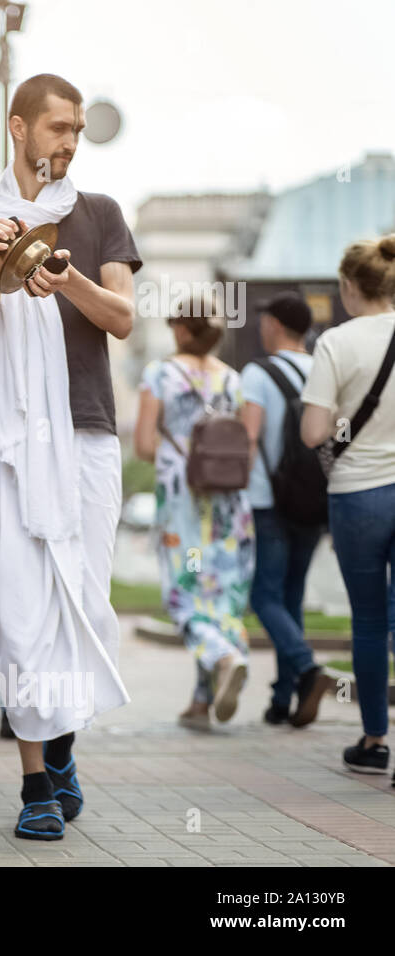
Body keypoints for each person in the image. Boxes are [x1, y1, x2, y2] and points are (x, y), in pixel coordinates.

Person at [0, 74, 140, 841]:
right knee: (22, 607)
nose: (68, 141)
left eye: (79, 131)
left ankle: (60, 747)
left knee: (84, 596)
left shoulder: (98, 215)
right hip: (10, 439)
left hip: (87, 430)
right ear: (18, 127)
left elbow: (121, 317)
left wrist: (67, 280)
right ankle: (35, 785)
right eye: (57, 127)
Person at [300, 234, 395, 779]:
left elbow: (316, 431)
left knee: (369, 620)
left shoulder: (337, 342)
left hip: (358, 495)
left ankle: (374, 740)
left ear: (347, 286)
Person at [134, 305, 254, 729]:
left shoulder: (160, 374)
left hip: (183, 501)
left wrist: (175, 448)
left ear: (182, 330)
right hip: (227, 504)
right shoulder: (232, 378)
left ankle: (224, 656)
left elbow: (144, 444)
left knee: (186, 591)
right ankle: (203, 700)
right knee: (221, 595)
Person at [239, 292, 330, 727]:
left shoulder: (257, 373)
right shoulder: (324, 369)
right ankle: (283, 698)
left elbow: (249, 437)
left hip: (269, 499)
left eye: (265, 319)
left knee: (263, 596)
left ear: (275, 324)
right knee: (290, 596)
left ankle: (308, 668)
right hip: (316, 498)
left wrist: (234, 490)